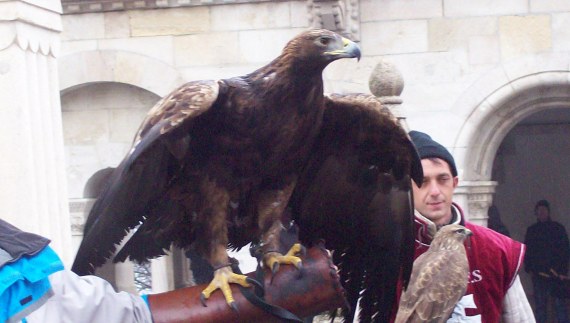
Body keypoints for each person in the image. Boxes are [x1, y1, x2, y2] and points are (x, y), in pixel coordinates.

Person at [399, 130, 534, 322]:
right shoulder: (386, 252)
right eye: (423, 181)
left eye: (442, 179)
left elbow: (521, 319)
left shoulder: (496, 248)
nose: (435, 191)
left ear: (454, 183)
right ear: (408, 189)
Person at [524, 199, 570, 323]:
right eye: (539, 211)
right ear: (536, 213)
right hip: (539, 275)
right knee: (540, 307)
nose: (542, 213)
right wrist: (529, 268)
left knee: (560, 306)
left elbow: (565, 250)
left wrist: (563, 272)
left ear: (548, 212)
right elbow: (527, 251)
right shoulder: (532, 231)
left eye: (544, 210)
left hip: (557, 275)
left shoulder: (558, 229)